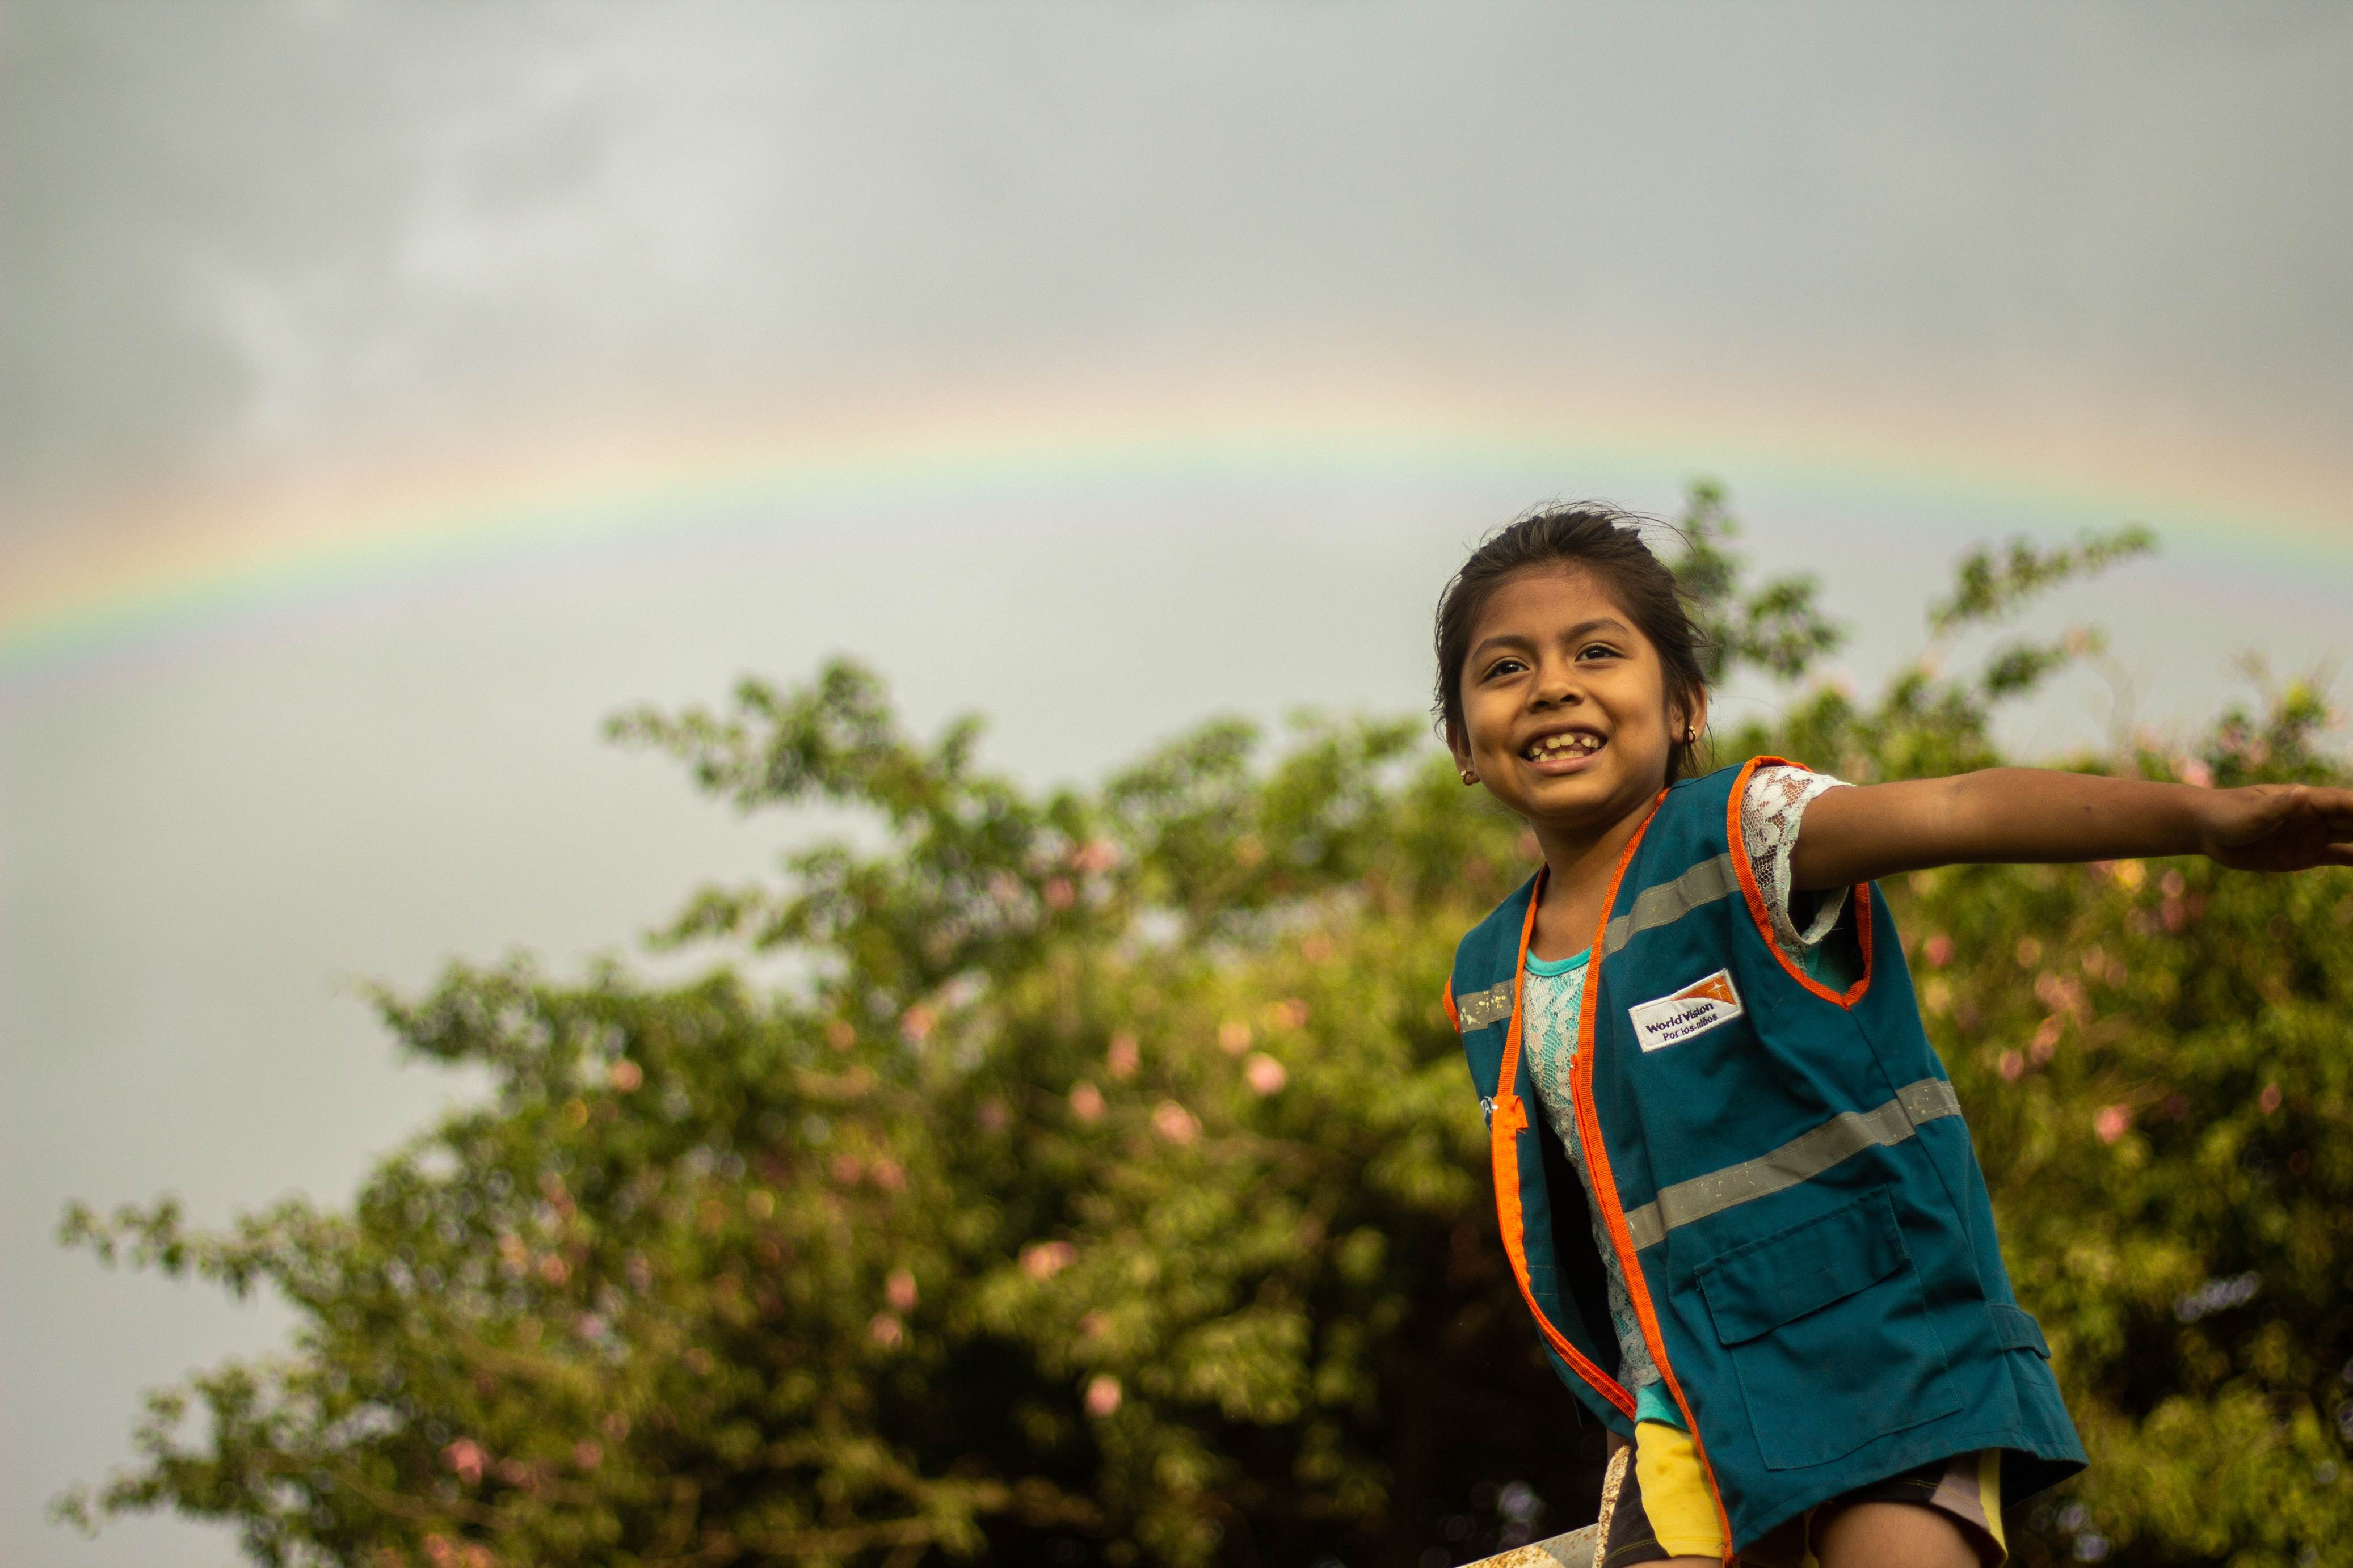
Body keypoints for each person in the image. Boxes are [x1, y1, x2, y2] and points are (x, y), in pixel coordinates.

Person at [1434, 505, 2353, 1567]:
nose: (1553, 685)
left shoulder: (1749, 830)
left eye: (1597, 651)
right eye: (1505, 668)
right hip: (1683, 1404)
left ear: (1684, 703)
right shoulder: (1487, 974)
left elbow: (1959, 808)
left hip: (1884, 1346)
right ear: (1462, 743)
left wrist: (2204, 821)